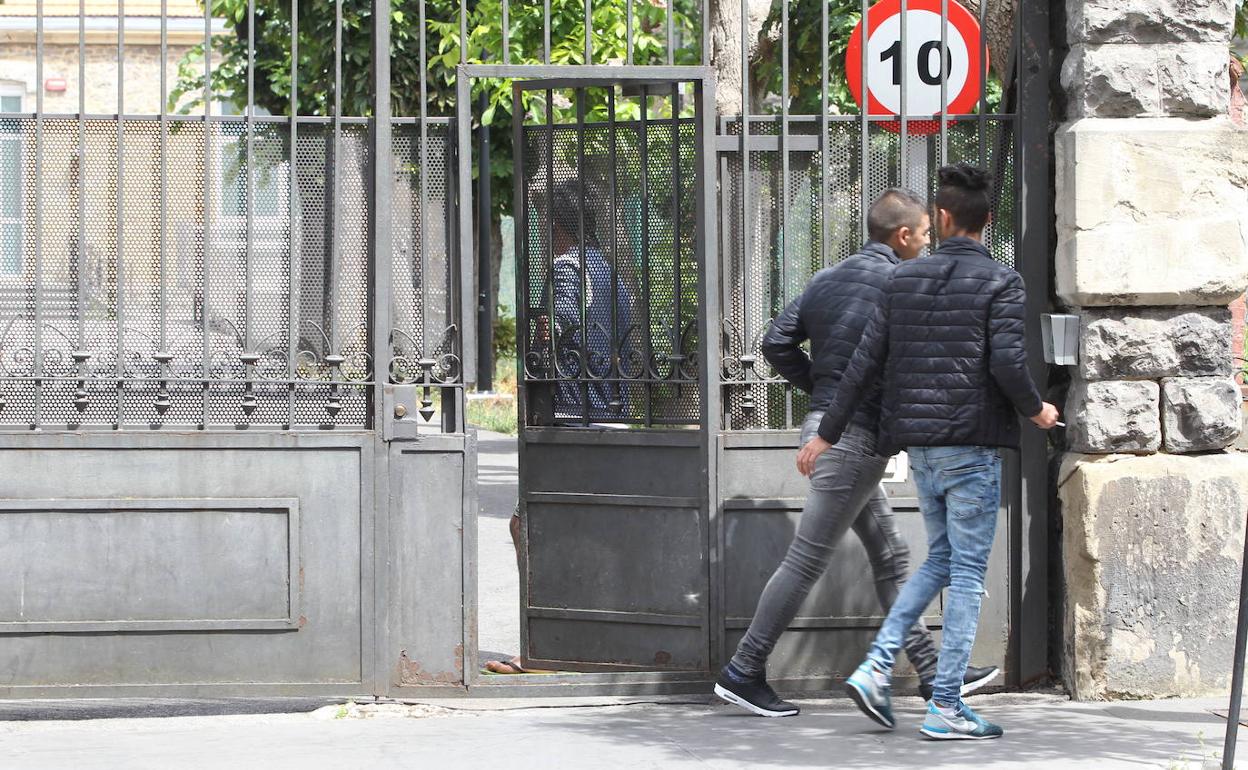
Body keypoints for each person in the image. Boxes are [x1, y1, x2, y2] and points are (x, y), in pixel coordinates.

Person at [713, 189, 999, 718]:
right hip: (854, 437)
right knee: (806, 559)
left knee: (890, 556)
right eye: (925, 235)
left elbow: (776, 342)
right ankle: (743, 669)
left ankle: (933, 673)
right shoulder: (900, 284)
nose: (928, 244)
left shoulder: (825, 279)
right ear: (904, 235)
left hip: (832, 432)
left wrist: (821, 392)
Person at [821, 164, 1059, 740]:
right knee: (968, 573)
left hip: (921, 448)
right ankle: (945, 704)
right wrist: (1037, 411)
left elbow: (864, 361)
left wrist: (826, 432)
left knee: (941, 561)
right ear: (987, 221)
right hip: (970, 446)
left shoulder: (902, 279)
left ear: (943, 217)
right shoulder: (1001, 281)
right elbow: (1007, 363)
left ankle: (876, 666)